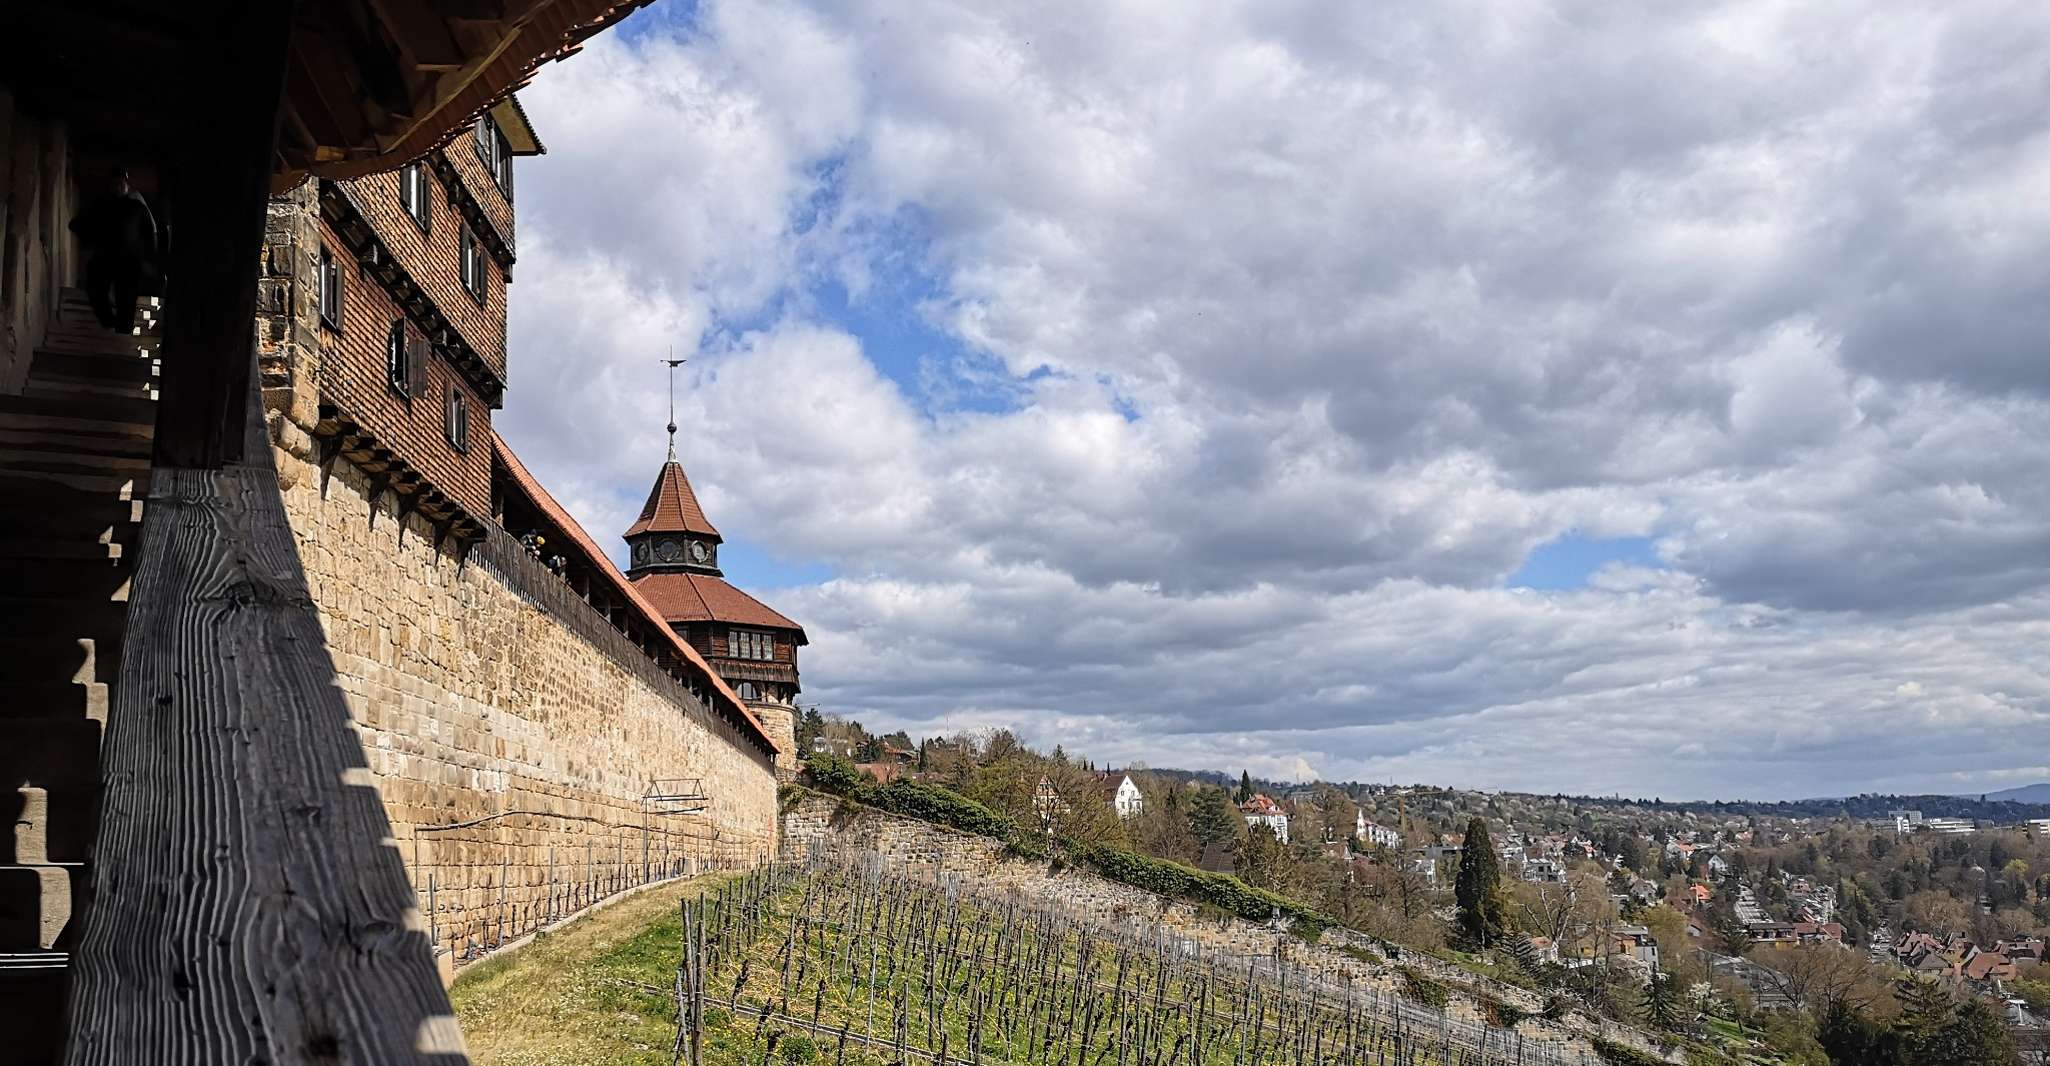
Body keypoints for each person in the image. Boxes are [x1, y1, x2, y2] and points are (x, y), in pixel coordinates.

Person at [69, 167, 158, 333]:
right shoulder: (101, 204)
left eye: (121, 182)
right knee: (95, 288)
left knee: (127, 299)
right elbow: (76, 224)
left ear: (127, 184)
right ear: (109, 184)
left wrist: (149, 259)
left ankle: (123, 334)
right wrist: (89, 241)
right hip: (106, 257)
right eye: (115, 182)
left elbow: (149, 234)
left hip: (129, 261)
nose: (118, 185)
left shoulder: (137, 207)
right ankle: (108, 321)